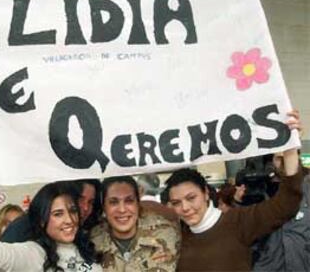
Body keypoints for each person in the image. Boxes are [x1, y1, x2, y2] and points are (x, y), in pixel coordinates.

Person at [163, 110, 303, 271]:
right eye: (176, 203)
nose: (185, 208)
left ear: (206, 193)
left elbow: (286, 204)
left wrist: (290, 149)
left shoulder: (239, 222)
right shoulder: (177, 239)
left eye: (191, 198)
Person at [0, 154, 102, 271]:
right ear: (43, 220)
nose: (69, 220)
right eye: (58, 214)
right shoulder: (33, 255)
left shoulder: (86, 247)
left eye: (72, 211)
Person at [91, 175, 181, 271]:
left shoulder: (166, 233)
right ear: (104, 207)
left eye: (129, 201)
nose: (122, 210)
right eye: (113, 202)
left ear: (138, 204)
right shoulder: (92, 241)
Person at [251, 153, 310, 271]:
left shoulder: (307, 190)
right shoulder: (260, 194)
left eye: (288, 156)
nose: (284, 162)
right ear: (270, 162)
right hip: (269, 266)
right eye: (279, 158)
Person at [0, 179, 101, 243]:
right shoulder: (24, 228)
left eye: (91, 202)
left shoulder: (85, 235)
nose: (86, 208)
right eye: (80, 199)